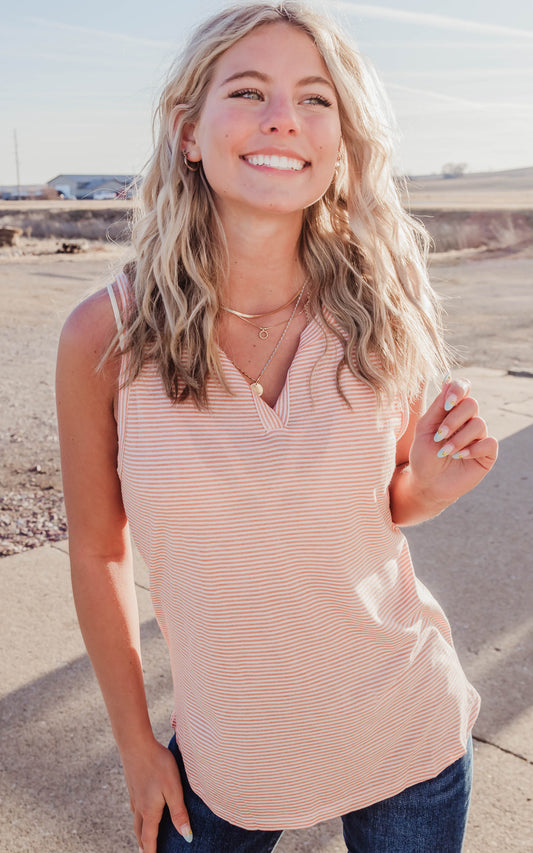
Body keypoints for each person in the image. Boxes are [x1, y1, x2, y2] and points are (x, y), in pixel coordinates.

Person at [56, 3, 498, 851]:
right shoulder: (103, 339)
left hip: (406, 732)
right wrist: (136, 745)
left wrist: (429, 487)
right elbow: (95, 549)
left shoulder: (380, 314)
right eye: (248, 91)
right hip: (225, 762)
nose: (282, 119)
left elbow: (385, 503)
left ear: (336, 146)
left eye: (315, 99)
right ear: (189, 133)